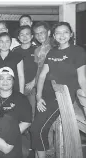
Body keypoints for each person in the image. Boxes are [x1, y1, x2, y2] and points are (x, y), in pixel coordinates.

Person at [31, 22, 86, 158]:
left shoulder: (78, 51)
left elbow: (82, 79)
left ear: (71, 34)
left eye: (65, 32)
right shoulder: (52, 52)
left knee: (37, 129)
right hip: (47, 93)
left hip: (63, 96)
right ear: (54, 36)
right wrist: (38, 97)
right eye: (58, 33)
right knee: (36, 128)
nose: (62, 35)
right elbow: (42, 75)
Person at [12, 25, 38, 115]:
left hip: (33, 88)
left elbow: (42, 68)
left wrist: (33, 82)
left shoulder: (37, 50)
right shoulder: (14, 51)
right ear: (18, 37)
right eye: (22, 35)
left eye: (27, 34)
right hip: (17, 87)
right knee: (18, 112)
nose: (25, 37)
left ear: (32, 36)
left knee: (32, 112)